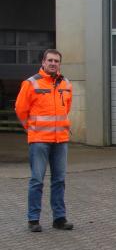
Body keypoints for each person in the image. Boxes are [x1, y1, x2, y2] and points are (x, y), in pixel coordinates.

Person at [15, 49, 74, 232]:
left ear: (59, 64)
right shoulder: (31, 83)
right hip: (39, 140)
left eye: (56, 61)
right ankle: (33, 220)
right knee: (37, 181)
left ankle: (59, 219)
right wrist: (31, 129)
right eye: (50, 60)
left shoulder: (66, 83)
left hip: (60, 141)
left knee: (59, 180)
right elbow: (20, 109)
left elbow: (67, 108)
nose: (53, 63)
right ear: (43, 62)